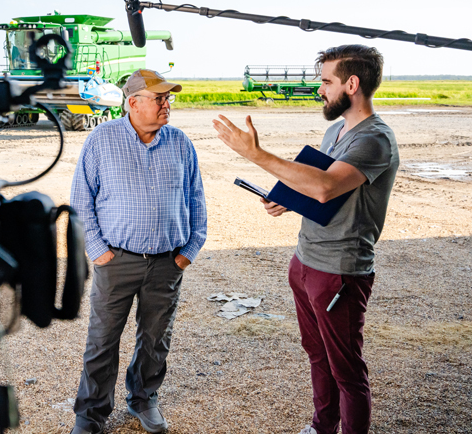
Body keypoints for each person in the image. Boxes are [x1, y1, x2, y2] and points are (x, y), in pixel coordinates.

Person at [212, 44, 399, 434]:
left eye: (326, 82)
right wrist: (288, 199)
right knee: (317, 354)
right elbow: (320, 188)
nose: (319, 89)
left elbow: (328, 185)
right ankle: (322, 427)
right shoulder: (337, 129)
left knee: (346, 369)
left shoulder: (376, 139)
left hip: (340, 270)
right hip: (305, 261)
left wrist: (256, 154)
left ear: (352, 84)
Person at [69, 69, 207, 434]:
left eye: (168, 99)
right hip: (117, 261)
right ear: (133, 103)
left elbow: (195, 199)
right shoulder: (101, 140)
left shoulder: (180, 143)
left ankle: (144, 399)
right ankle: (90, 414)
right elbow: (82, 199)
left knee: (156, 337)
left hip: (167, 262)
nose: (167, 105)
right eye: (159, 98)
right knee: (102, 339)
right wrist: (98, 250)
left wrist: (189, 250)